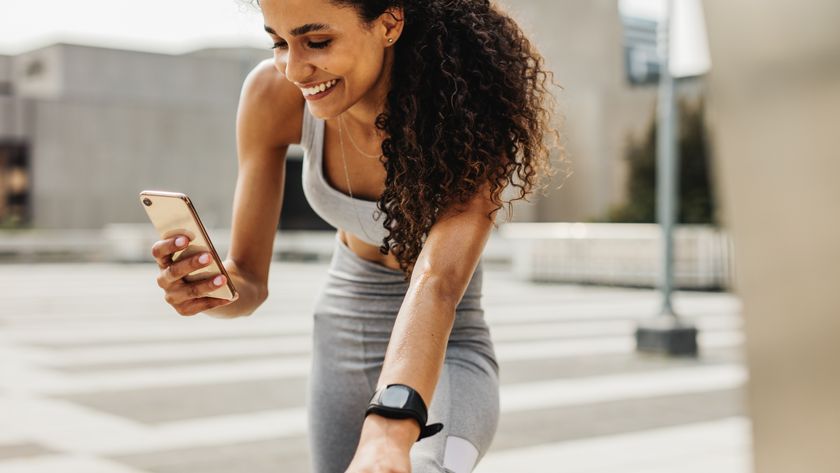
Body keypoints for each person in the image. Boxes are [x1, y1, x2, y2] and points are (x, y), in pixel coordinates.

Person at [150, 0, 563, 471]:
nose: (294, 69)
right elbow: (249, 282)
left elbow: (438, 282)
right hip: (344, 324)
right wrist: (212, 289)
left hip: (446, 334)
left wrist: (387, 430)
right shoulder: (272, 95)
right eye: (279, 42)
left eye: (318, 41)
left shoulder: (467, 108)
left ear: (389, 23)